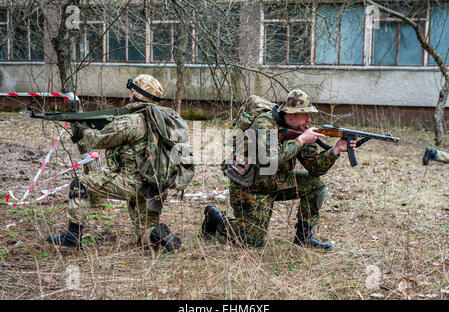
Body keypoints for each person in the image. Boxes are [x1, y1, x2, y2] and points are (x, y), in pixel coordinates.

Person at [201, 89, 356, 250]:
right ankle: (216, 220)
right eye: (305, 115)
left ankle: (304, 237)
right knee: (252, 242)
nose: (309, 120)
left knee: (316, 186)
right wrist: (301, 140)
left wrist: (335, 150)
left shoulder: (301, 131)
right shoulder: (263, 123)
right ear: (290, 115)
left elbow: (315, 168)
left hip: (277, 181)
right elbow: (269, 159)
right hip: (250, 186)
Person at [47, 74, 186, 252]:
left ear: (137, 95)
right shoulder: (163, 120)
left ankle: (72, 237)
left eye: (131, 93)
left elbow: (99, 140)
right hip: (154, 186)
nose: (129, 96)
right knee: (144, 237)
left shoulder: (132, 121)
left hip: (131, 183)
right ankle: (158, 233)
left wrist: (82, 130)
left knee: (80, 184)